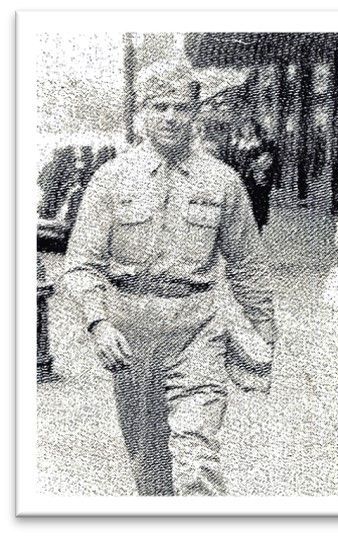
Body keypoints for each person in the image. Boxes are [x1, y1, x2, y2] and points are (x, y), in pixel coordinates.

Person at [63, 61, 276, 496]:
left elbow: (248, 266)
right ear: (142, 112)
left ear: (195, 113)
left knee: (197, 454)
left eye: (181, 107)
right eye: (160, 107)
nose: (170, 117)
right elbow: (81, 263)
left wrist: (264, 333)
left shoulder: (222, 182)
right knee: (149, 460)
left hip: (197, 327)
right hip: (130, 331)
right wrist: (98, 323)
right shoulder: (109, 180)